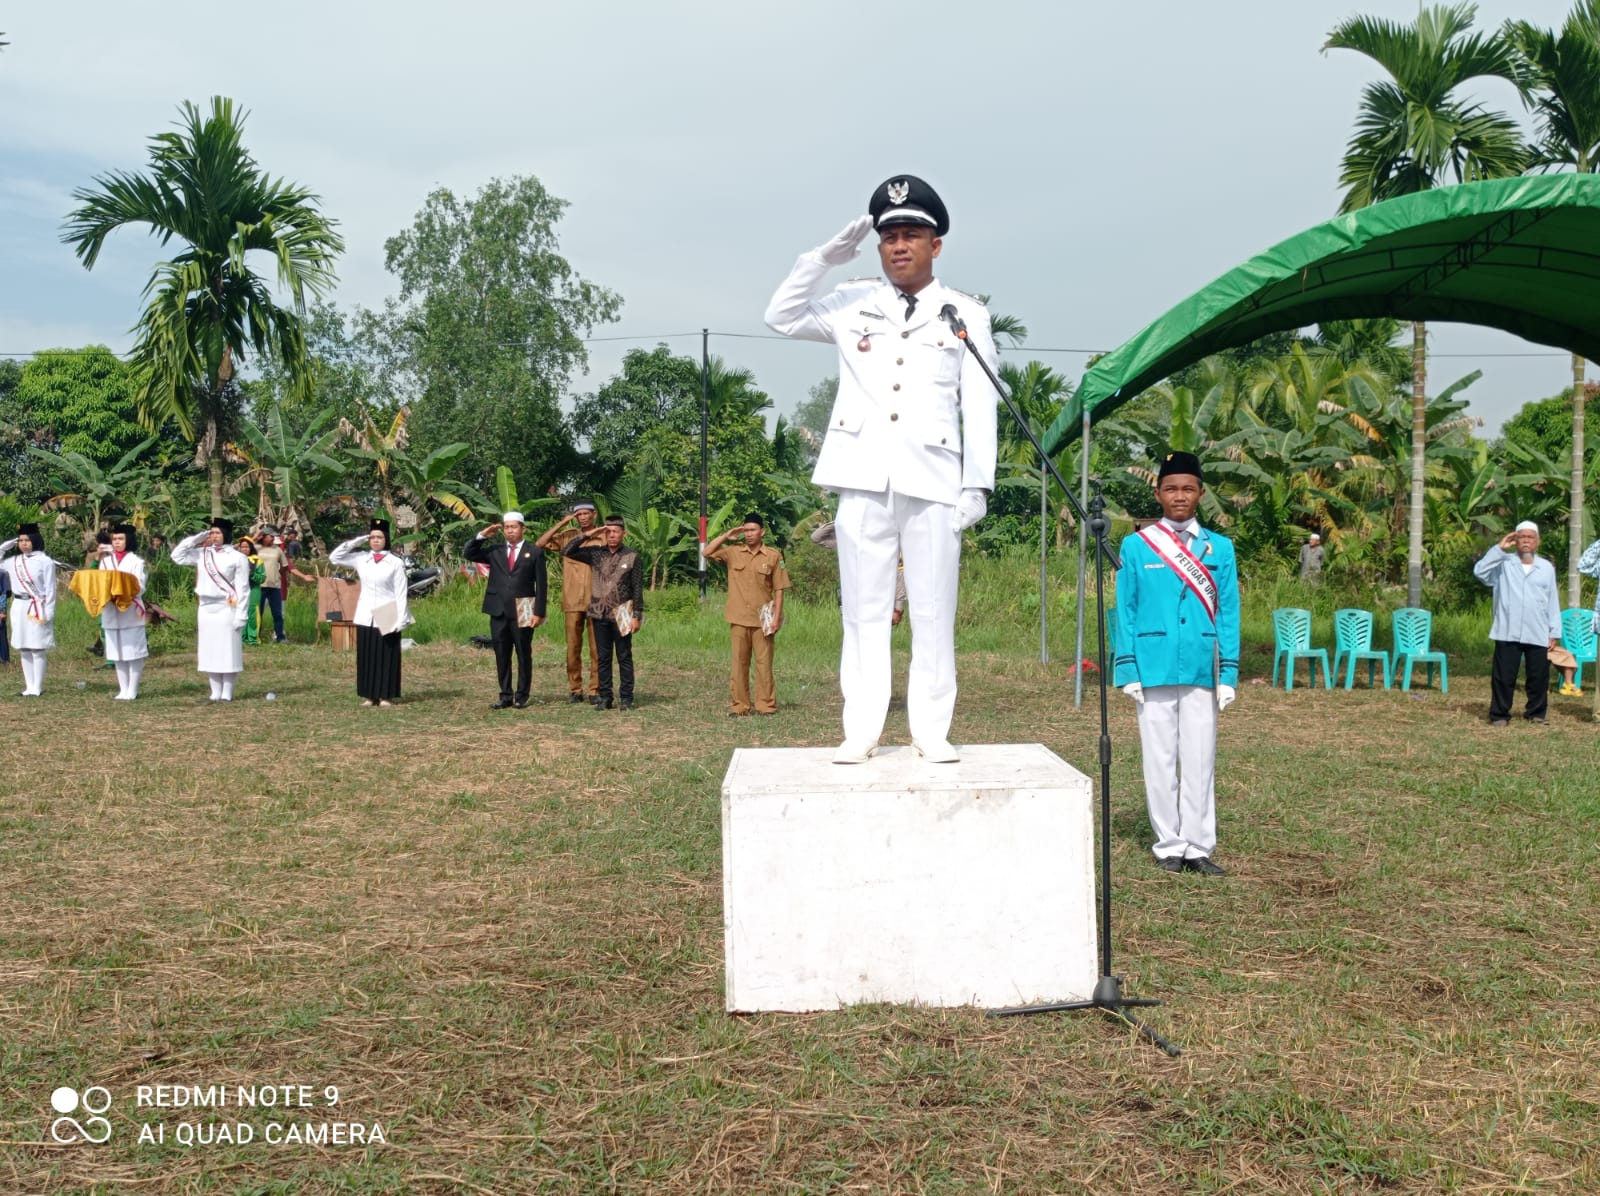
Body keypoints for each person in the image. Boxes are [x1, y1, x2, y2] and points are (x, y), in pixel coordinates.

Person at [764, 174, 997, 763]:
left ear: (935, 243)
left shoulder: (963, 311)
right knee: (864, 610)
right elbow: (781, 316)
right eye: (888, 235)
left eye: (911, 234)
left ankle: (931, 730)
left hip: (935, 478)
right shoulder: (851, 302)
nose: (898, 245)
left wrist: (979, 485)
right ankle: (862, 728)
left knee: (933, 609)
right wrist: (820, 260)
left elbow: (982, 401)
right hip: (862, 476)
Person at [1114, 451, 1241, 877]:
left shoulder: (1218, 548)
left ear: (1201, 494)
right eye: (1171, 488)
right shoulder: (1137, 545)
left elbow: (1228, 613)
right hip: (1152, 665)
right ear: (1158, 493)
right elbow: (1125, 609)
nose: (1179, 496)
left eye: (1188, 488)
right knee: (1160, 758)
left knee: (1200, 758)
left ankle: (1198, 846)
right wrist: (1127, 668)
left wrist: (1229, 673)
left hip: (1201, 667)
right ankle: (1168, 843)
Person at [1474, 521, 1562, 725]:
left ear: (1537, 542)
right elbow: (1479, 572)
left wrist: (1554, 631)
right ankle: (1499, 714)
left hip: (1537, 630)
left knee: (1538, 676)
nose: (1526, 541)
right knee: (1504, 677)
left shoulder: (1546, 568)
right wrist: (1499, 548)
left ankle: (1536, 713)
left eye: (1530, 537)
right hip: (1507, 629)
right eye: (1522, 537)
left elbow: (1553, 601)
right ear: (1515, 539)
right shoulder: (1503, 564)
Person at [705, 513, 792, 716]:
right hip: (738, 617)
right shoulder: (733, 552)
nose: (749, 534)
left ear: (762, 532)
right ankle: (740, 706)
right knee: (739, 664)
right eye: (745, 530)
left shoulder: (773, 555)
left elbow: (779, 589)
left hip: (764, 618)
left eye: (753, 530)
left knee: (764, 665)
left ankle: (765, 705)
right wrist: (727, 535)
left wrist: (777, 617)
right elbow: (707, 552)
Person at [463, 511, 547, 709]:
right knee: (501, 653)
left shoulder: (534, 552)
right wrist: (481, 536)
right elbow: (469, 553)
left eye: (514, 527)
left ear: (522, 528)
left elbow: (542, 586)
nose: (510, 531)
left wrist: (539, 612)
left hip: (524, 608)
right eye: (507, 527)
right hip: (498, 609)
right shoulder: (495, 550)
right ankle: (505, 695)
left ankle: (522, 695)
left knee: (523, 653)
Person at [563, 515, 643, 711]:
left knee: (624, 656)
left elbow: (637, 588)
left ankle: (626, 698)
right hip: (599, 613)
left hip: (622, 613)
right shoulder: (596, 553)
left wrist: (637, 616)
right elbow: (568, 550)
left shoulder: (632, 556)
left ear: (624, 533)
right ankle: (605, 697)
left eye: (616, 531)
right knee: (603, 657)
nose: (612, 535)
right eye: (608, 531)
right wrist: (590, 533)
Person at [329, 519, 412, 706]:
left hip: (388, 609)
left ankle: (385, 695)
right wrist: (356, 541)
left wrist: (402, 617)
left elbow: (401, 592)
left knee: (386, 655)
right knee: (367, 655)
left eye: (379, 537)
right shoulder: (361, 559)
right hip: (366, 611)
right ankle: (369, 695)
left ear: (386, 539)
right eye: (372, 537)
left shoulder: (395, 562)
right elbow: (335, 558)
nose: (375, 540)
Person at [172, 517, 252, 701]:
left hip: (226, 607)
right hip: (206, 607)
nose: (214, 536)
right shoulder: (202, 553)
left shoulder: (238, 557)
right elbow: (177, 556)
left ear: (226, 534)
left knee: (228, 650)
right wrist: (195, 539)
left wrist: (241, 615)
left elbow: (243, 588)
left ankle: (227, 692)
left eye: (217, 533)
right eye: (212, 532)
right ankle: (215, 691)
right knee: (210, 650)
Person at [535, 500, 603, 704]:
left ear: (594, 514)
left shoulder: (603, 535)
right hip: (572, 599)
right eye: (578, 514)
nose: (582, 517)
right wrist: (563, 523)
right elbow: (540, 544)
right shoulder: (568, 535)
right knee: (573, 647)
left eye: (586, 514)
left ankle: (595, 690)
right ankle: (575, 689)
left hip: (597, 599)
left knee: (596, 648)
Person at [811, 518, 907, 625]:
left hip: (876, 598)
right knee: (854, 634)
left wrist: (898, 608)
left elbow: (899, 572)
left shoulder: (886, 543)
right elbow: (816, 537)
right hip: (851, 598)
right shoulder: (848, 543)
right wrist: (841, 521)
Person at [0, 522, 57, 696]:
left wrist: (49, 612)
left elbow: (50, 589)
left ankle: (37, 687)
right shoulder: (14, 561)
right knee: (24, 647)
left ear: (35, 540)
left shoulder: (45, 561)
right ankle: (29, 686)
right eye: (21, 540)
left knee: (37, 647)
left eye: (27, 540)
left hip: (37, 606)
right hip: (18, 606)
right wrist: (4, 546)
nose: (24, 543)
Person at [100, 523, 150, 700]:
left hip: (130, 609)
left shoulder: (136, 562)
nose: (117, 542)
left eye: (120, 539)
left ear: (128, 540)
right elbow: (100, 584)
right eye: (114, 539)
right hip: (111, 609)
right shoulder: (105, 561)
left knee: (133, 651)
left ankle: (133, 689)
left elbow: (140, 586)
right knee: (116, 652)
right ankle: (123, 689)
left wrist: (121, 593)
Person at [254, 528, 289, 642]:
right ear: (263, 537)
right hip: (259, 585)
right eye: (271, 536)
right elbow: (240, 549)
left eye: (274, 537)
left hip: (274, 586)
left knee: (277, 613)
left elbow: (284, 566)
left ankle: (280, 637)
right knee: (258, 613)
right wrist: (255, 538)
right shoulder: (255, 548)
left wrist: (278, 574)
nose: (273, 538)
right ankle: (255, 636)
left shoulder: (277, 550)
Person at [238, 537, 265, 646]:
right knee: (240, 613)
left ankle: (253, 639)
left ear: (251, 548)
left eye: (246, 547)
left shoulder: (258, 561)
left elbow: (262, 578)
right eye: (242, 547)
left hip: (253, 590)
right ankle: (241, 638)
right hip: (239, 591)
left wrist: (252, 574)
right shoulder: (235, 560)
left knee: (253, 614)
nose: (244, 549)